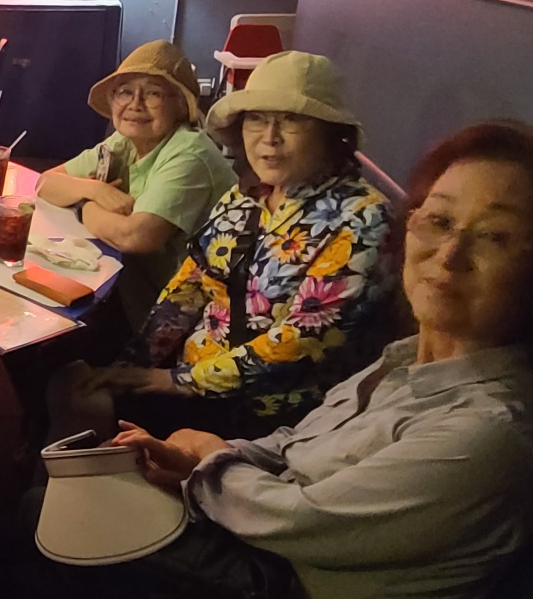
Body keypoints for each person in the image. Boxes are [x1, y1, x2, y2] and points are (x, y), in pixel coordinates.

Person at [16, 121, 533, 599]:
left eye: (496, 237)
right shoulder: (406, 361)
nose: (450, 256)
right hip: (252, 516)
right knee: (75, 439)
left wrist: (201, 444)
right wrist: (192, 435)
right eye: (439, 221)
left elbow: (302, 517)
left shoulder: (490, 433)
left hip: (275, 594)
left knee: (50, 508)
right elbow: (297, 441)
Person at [53, 52, 391, 441]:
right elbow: (188, 288)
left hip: (270, 419)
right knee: (71, 381)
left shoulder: (362, 218)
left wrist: (168, 380)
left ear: (332, 134)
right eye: (257, 118)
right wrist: (130, 367)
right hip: (190, 384)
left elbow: (301, 343)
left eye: (292, 120)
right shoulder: (247, 196)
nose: (270, 137)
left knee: (78, 399)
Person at [38, 40, 237, 329]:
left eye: (153, 93)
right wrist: (94, 190)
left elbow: (135, 237)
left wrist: (84, 207)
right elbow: (46, 182)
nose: (135, 104)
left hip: (188, 323)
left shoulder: (190, 152)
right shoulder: (126, 140)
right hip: (132, 293)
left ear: (181, 105)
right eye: (125, 92)